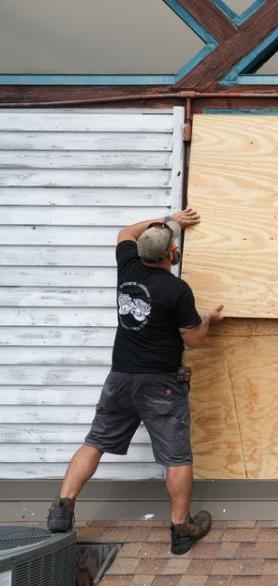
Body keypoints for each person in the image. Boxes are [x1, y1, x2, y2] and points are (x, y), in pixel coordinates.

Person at [47, 208, 224, 555]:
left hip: (120, 378)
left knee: (95, 441)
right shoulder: (176, 289)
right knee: (177, 458)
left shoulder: (127, 267)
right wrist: (208, 319)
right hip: (160, 385)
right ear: (172, 254)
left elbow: (125, 231)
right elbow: (194, 339)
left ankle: (62, 508)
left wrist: (168, 219)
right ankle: (180, 529)